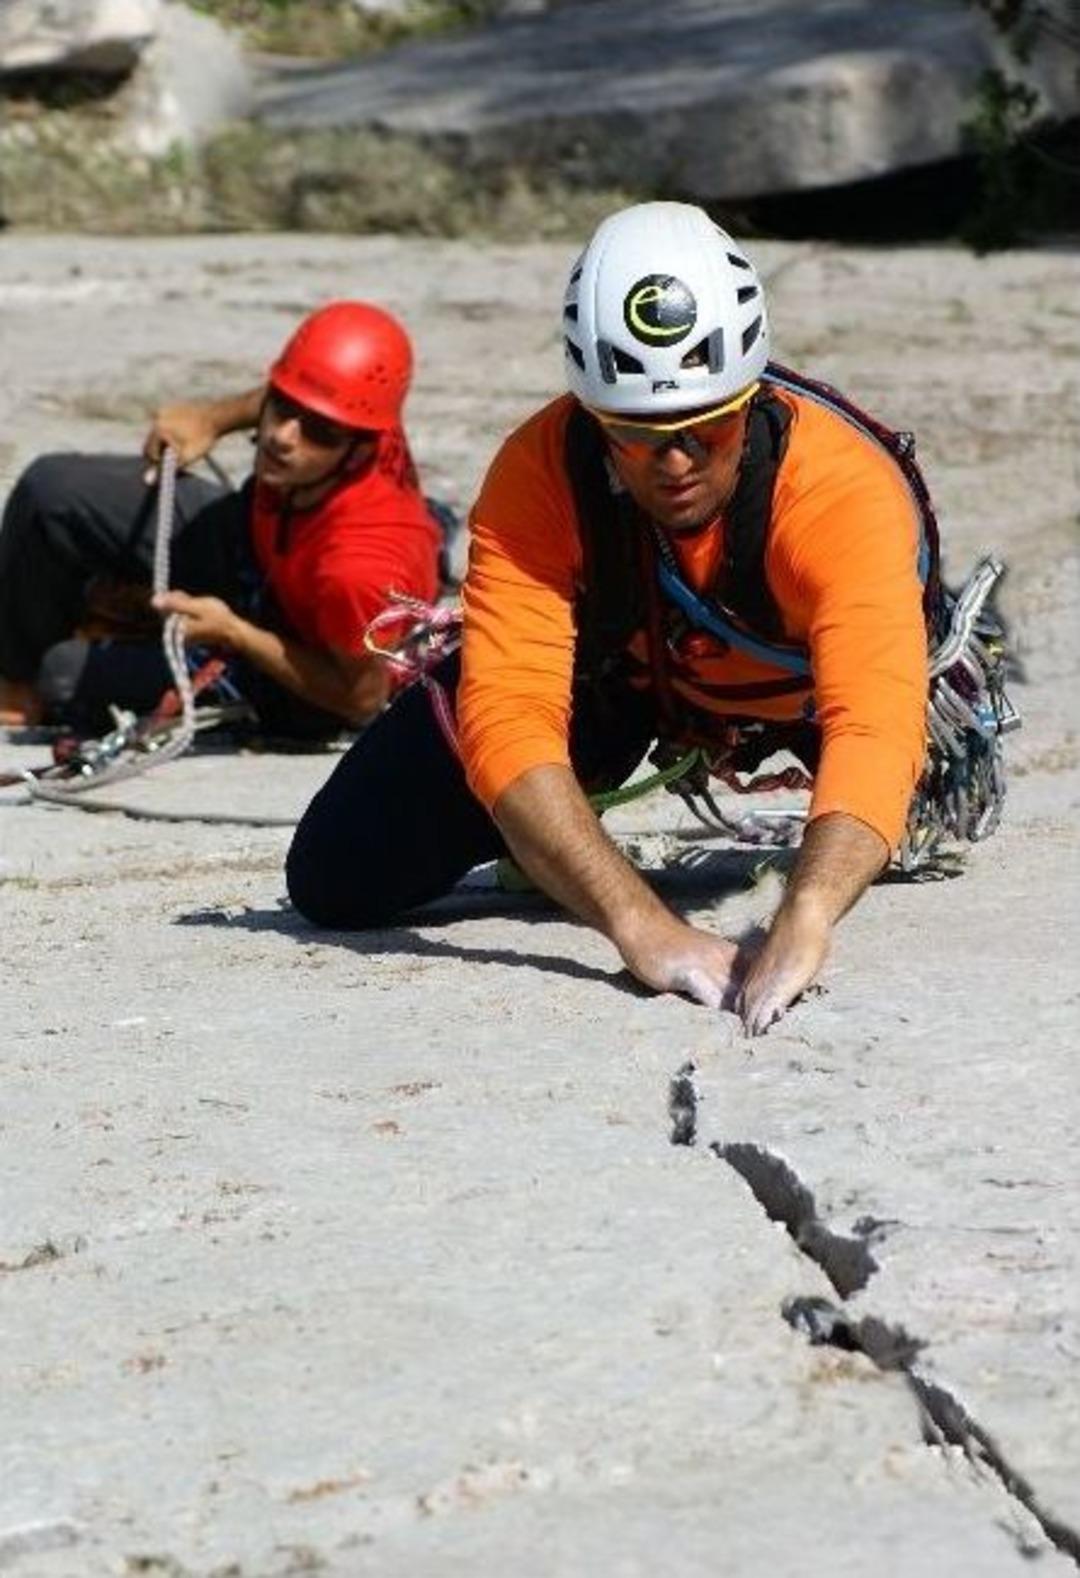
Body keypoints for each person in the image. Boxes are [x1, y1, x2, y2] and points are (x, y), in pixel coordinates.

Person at [284, 202, 943, 1035]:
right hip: (625, 679)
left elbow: (873, 720)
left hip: (797, 692)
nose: (675, 462)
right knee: (338, 876)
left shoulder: (837, 491)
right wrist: (641, 924)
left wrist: (807, 914)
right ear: (594, 418)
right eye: (637, 435)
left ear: (749, 397)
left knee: (879, 803)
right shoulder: (538, 474)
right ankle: (556, 841)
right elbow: (509, 715)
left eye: (706, 428)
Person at [0, 301, 441, 739]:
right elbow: (299, 398)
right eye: (283, 408)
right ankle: (15, 686)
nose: (282, 437)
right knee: (50, 493)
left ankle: (113, 639)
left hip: (301, 667)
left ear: (363, 449)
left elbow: (361, 700)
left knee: (64, 674)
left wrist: (235, 633)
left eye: (319, 432)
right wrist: (211, 419)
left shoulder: (357, 569)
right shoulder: (356, 411)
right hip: (255, 549)